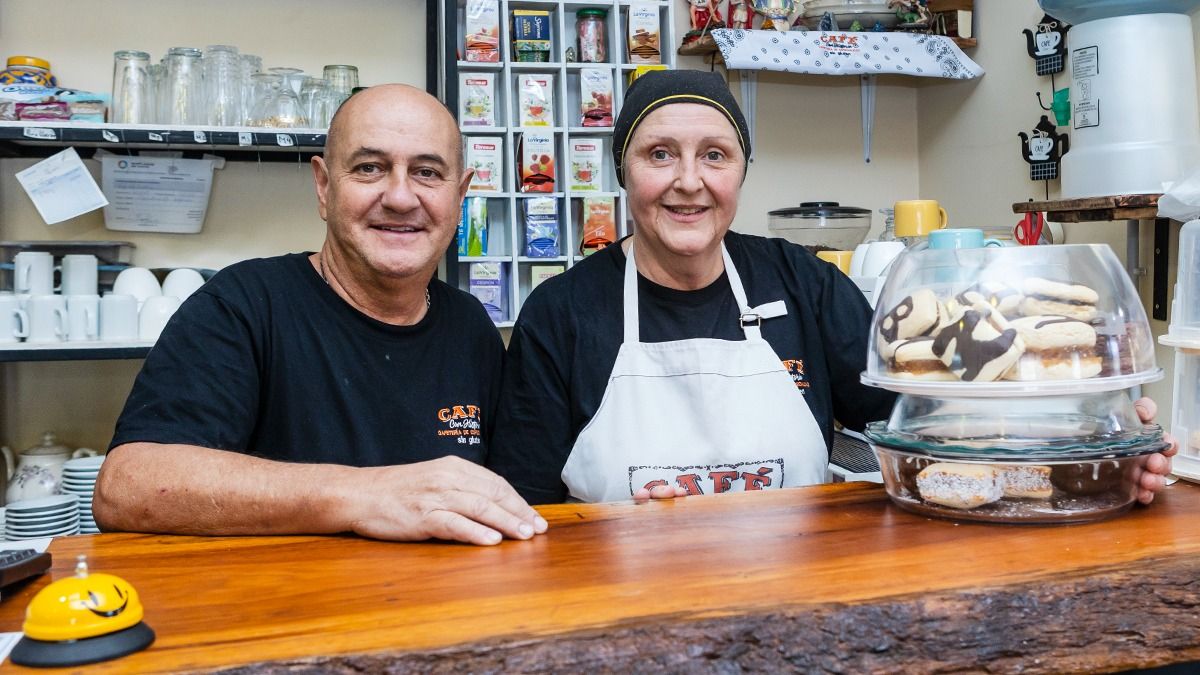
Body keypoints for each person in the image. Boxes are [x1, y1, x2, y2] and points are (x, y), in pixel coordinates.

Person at [486, 69, 1178, 506]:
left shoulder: (800, 282)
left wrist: (1093, 446)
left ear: (741, 173)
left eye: (715, 156)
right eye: (658, 154)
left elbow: (929, 420)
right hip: (624, 616)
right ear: (625, 172)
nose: (688, 180)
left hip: (803, 610)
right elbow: (525, 509)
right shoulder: (563, 313)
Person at [93, 84, 547, 546]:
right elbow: (128, 486)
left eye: (428, 172)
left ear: (461, 195)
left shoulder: (470, 327)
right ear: (324, 186)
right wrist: (367, 494)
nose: (400, 197)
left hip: (433, 610)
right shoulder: (244, 304)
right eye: (370, 168)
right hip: (287, 611)